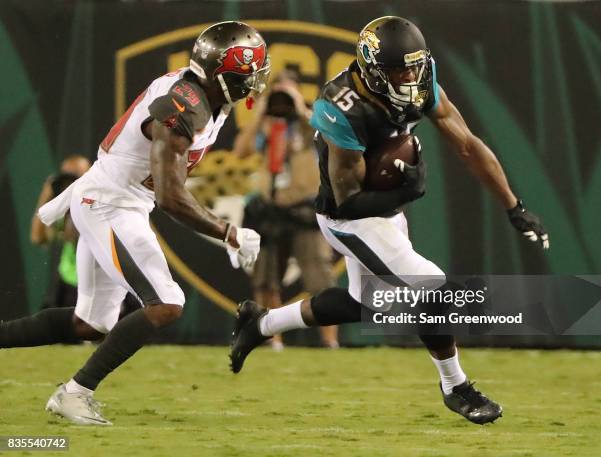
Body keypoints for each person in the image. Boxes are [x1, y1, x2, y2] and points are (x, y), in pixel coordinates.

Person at [230, 16, 549, 425]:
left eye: (415, 66)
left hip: (386, 212)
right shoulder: (339, 105)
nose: (410, 76)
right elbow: (349, 201)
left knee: (362, 302)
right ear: (372, 69)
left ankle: (260, 323)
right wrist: (406, 191)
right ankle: (455, 386)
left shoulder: (421, 80)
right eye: (399, 69)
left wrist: (513, 206)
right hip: (347, 218)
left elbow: (468, 145)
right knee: (432, 289)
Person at [0, 21, 269, 425]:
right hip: (111, 203)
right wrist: (227, 232)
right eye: (246, 75)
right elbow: (171, 196)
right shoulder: (185, 105)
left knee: (90, 323)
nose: (253, 83)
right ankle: (74, 393)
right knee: (166, 304)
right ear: (221, 76)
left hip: (117, 198)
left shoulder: (205, 96)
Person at [234, 70, 339, 350]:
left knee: (320, 279)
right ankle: (273, 339)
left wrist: (299, 105)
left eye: (287, 92)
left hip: (305, 208)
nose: (281, 100)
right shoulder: (266, 128)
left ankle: (330, 342)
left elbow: (326, 136)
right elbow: (240, 151)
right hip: (270, 208)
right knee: (266, 280)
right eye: (276, 92)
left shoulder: (308, 125)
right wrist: (259, 114)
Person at [31, 155, 91, 309]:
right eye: (66, 179)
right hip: (69, 285)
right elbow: (38, 238)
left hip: (99, 285)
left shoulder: (105, 204)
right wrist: (46, 194)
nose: (70, 185)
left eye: (76, 178)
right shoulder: (63, 210)